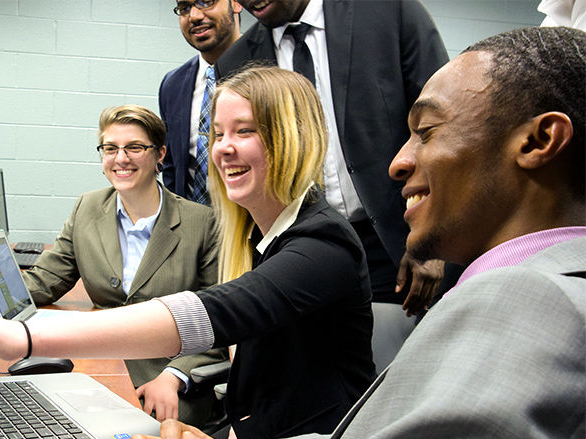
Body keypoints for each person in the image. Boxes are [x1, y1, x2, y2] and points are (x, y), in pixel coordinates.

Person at [138, 25, 586, 439]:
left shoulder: (527, 298)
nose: (397, 163)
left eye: (426, 132)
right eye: (217, 135)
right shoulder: (514, 287)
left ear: (538, 140)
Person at [0, 67, 376, 438]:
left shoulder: (322, 244)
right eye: (218, 134)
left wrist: (22, 337)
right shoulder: (259, 236)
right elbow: (270, 377)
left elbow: (211, 314)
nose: (224, 149)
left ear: (292, 136)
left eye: (244, 131)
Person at [0, 105, 228, 427]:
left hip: (166, 375)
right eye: (110, 148)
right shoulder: (88, 208)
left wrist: (175, 376)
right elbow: (44, 280)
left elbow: (219, 317)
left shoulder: (202, 223)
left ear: (160, 154)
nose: (120, 158)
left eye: (134, 147)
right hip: (100, 359)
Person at [215, 0, 451, 313]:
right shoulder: (237, 59)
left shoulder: (390, 13)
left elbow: (443, 128)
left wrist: (434, 238)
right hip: (302, 250)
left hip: (398, 240)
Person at [160, 0, 242, 205]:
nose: (194, 16)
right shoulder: (172, 85)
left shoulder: (271, 72)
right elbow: (172, 167)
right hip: (192, 227)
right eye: (184, 8)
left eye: (206, 1)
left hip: (255, 227)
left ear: (236, 3)